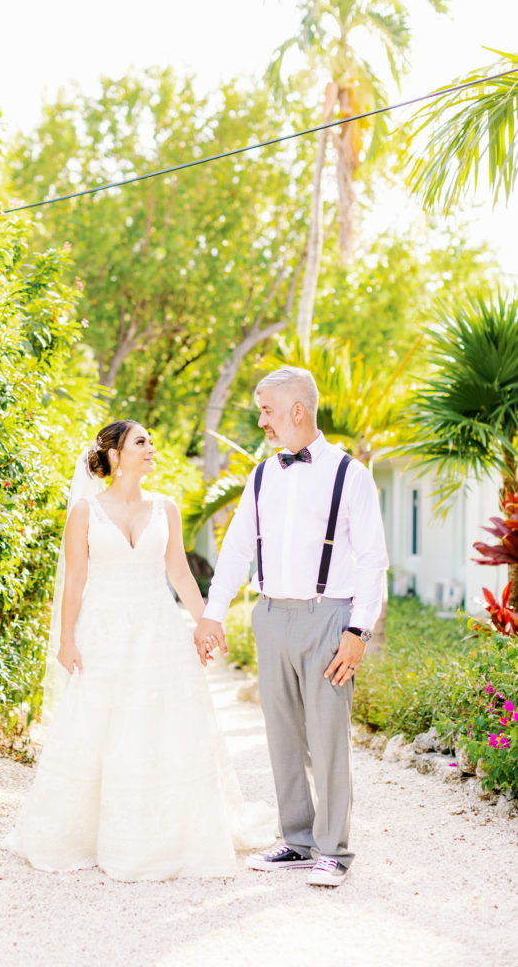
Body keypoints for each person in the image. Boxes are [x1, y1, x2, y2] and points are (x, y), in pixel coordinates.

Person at [6, 419, 274, 881]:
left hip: (159, 631)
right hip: (104, 634)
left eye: (151, 439)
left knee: (164, 728)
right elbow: (75, 581)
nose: (152, 448)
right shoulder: (85, 513)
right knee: (100, 731)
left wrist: (206, 621)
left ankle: (168, 833)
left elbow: (180, 574)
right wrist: (67, 640)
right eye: (141, 441)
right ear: (114, 454)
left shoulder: (166, 508)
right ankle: (94, 834)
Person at [195, 367, 388, 888]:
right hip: (271, 615)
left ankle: (335, 851)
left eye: (266, 410)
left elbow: (373, 559)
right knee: (281, 733)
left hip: (329, 617)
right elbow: (236, 550)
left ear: (296, 411)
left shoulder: (351, 475)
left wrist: (358, 630)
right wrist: (213, 611)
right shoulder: (262, 475)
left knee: (327, 737)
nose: (261, 420)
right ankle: (298, 842)